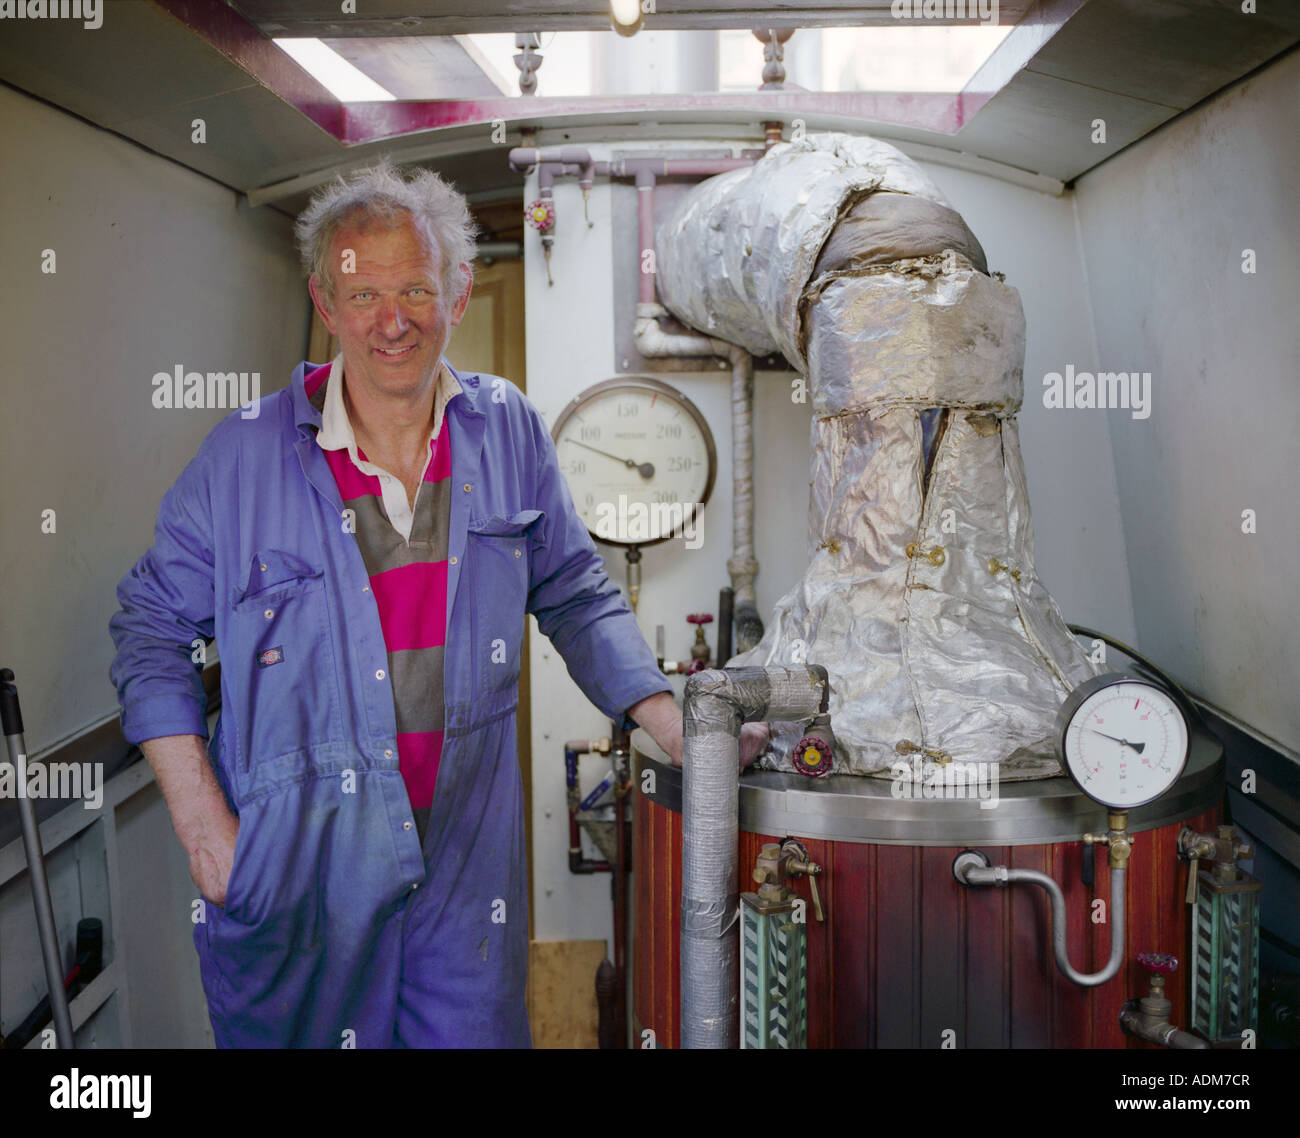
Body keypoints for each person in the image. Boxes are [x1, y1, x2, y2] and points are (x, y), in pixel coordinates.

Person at [109, 160, 762, 1049]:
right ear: (324, 303)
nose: (392, 319)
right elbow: (149, 628)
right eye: (363, 292)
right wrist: (201, 826)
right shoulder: (243, 456)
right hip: (301, 878)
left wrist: (672, 720)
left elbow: (571, 589)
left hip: (462, 879)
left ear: (456, 295)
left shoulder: (509, 430)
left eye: (416, 287)